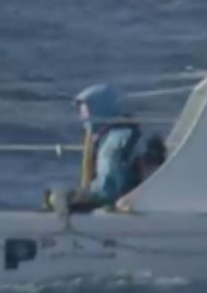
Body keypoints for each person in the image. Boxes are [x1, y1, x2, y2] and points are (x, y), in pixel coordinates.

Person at [47, 84, 143, 213]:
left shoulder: (115, 140)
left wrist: (82, 197)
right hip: (110, 197)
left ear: (98, 108)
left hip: (114, 203)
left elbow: (109, 187)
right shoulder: (108, 135)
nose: (81, 114)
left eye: (84, 108)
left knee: (57, 199)